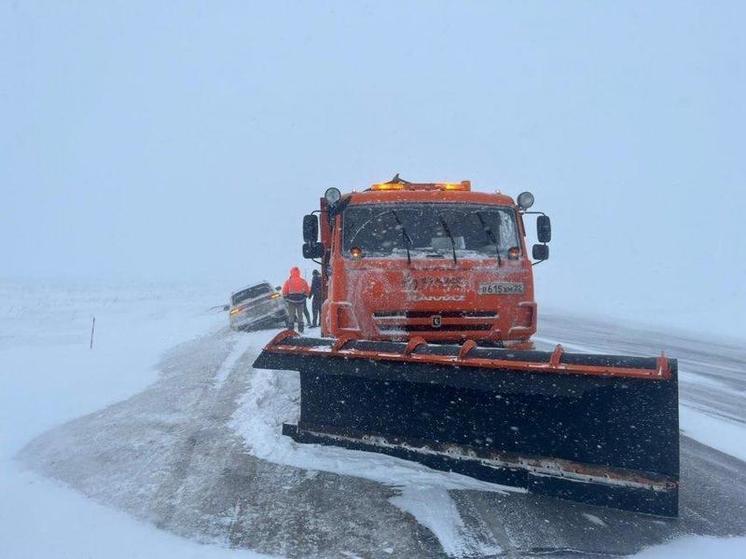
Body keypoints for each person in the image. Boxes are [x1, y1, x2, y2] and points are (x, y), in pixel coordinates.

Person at [282, 267, 310, 333]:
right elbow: (307, 291)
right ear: (299, 272)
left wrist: (286, 297)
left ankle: (291, 330)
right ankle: (301, 329)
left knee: (291, 315)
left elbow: (284, 291)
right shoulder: (303, 281)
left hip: (291, 301)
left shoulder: (288, 281)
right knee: (300, 315)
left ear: (291, 272)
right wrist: (304, 296)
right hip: (300, 301)